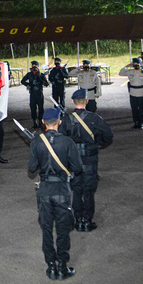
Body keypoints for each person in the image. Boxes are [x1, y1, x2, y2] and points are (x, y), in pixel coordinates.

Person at [28, 108, 82, 280]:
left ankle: (51, 266)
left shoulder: (37, 142)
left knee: (46, 229)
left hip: (44, 189)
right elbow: (78, 167)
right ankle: (63, 266)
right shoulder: (67, 142)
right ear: (59, 122)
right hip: (61, 190)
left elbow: (31, 168)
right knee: (62, 229)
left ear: (43, 122)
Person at [60, 89, 113, 232]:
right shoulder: (94, 118)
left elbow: (60, 138)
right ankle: (87, 220)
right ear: (87, 101)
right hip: (90, 157)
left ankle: (78, 220)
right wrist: (97, 143)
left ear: (72, 101)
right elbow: (108, 135)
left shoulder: (66, 119)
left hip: (74, 158)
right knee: (89, 190)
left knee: (76, 189)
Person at [119, 58, 143, 129]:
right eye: (134, 63)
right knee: (134, 109)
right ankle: (136, 122)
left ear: (140, 64)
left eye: (137, 63)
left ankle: (141, 123)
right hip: (133, 92)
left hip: (141, 92)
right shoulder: (130, 71)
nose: (136, 65)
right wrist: (127, 66)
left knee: (141, 109)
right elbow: (120, 73)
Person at [22, 61, 49, 129]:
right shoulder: (29, 74)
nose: (34, 67)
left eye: (35, 65)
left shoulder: (41, 75)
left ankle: (40, 122)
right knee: (33, 108)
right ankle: (34, 122)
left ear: (38, 66)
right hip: (32, 94)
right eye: (33, 65)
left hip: (39, 94)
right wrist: (28, 85)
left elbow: (46, 84)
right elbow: (22, 81)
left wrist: (41, 80)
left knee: (41, 108)